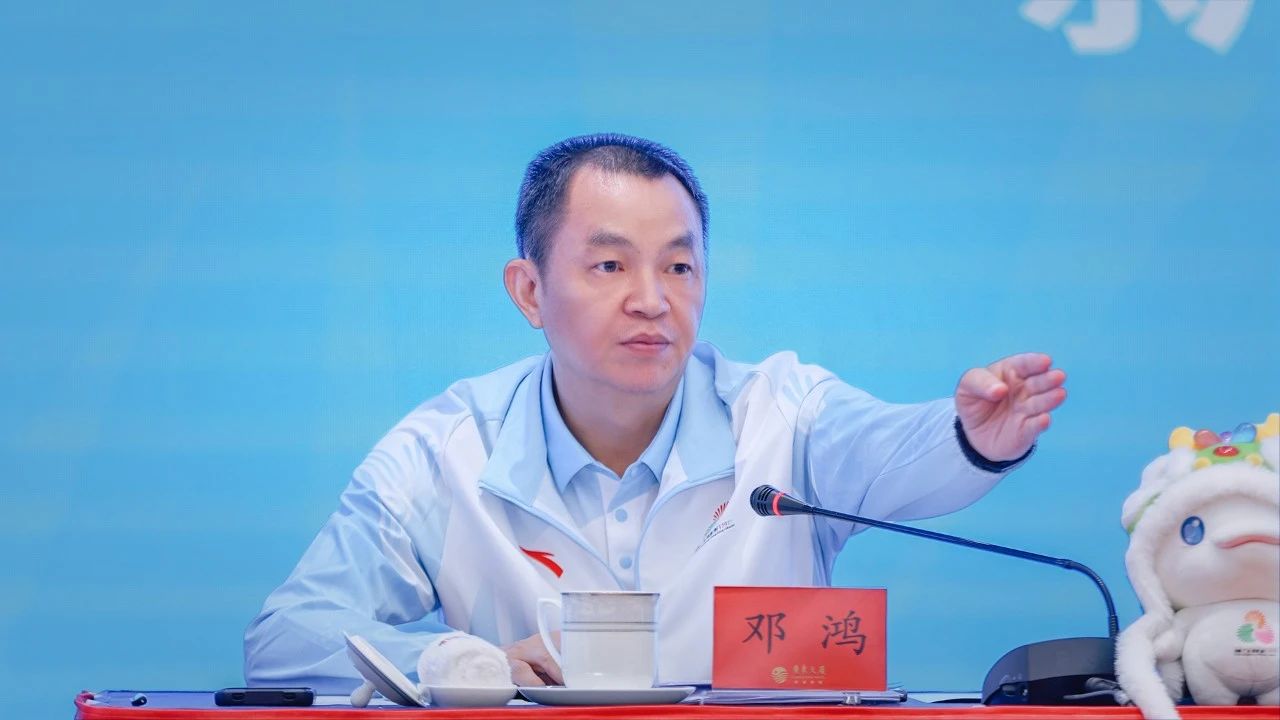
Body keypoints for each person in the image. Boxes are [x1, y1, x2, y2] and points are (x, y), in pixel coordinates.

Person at [243, 133, 1067, 691]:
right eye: (609, 265)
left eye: (678, 267)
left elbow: (896, 450)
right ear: (528, 291)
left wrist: (973, 437)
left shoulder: (782, 414)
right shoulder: (444, 451)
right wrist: (464, 665)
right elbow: (285, 637)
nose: (652, 300)